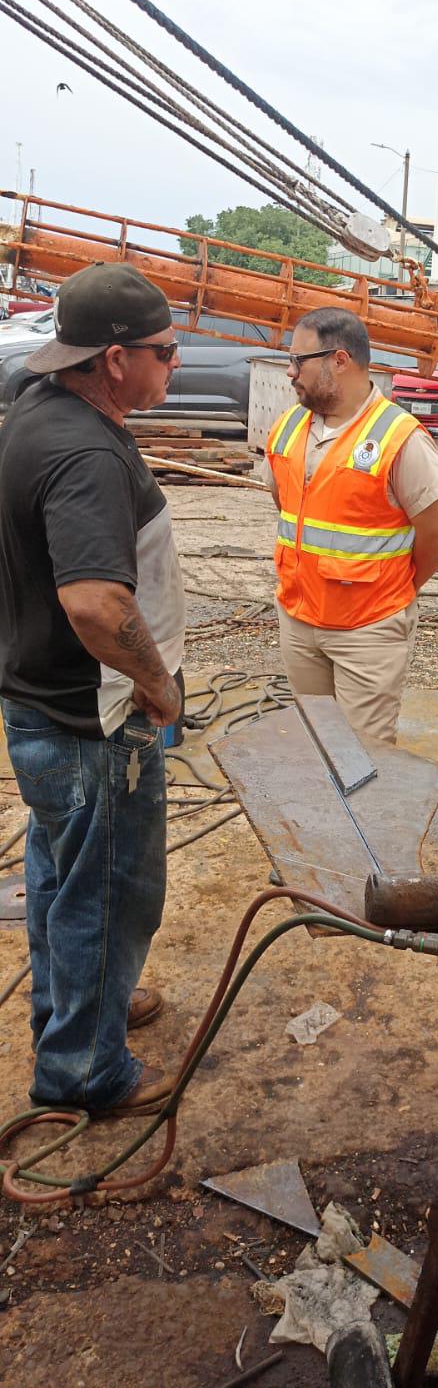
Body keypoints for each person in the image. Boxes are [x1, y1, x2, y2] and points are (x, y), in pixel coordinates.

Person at [0, 262, 185, 1115]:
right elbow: (94, 602)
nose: (175, 363)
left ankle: (79, 1012)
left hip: (42, 704)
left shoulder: (39, 409)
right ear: (115, 359)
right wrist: (156, 681)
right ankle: (84, 1067)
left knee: (61, 878)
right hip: (93, 722)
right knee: (108, 893)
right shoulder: (84, 453)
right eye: (165, 351)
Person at [262, 308, 438, 743]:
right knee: (314, 741)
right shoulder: (288, 427)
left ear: (339, 360)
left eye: (298, 361)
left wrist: (399, 586)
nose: (290, 372)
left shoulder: (398, 437)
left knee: (364, 755)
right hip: (299, 619)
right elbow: (285, 503)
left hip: (368, 629)